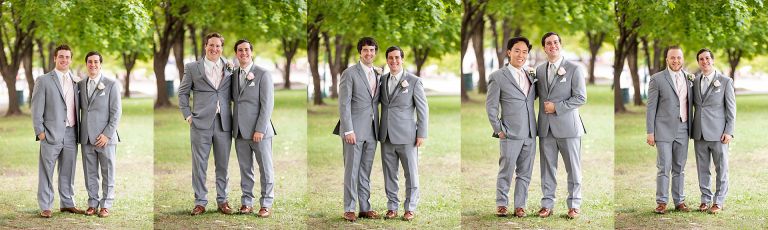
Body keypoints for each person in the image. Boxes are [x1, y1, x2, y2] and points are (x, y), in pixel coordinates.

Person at [178, 32, 234, 215]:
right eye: (211, 45)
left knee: (223, 164)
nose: (214, 49)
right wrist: (188, 116)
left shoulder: (230, 67)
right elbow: (182, 93)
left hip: (224, 122)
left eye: (218, 46)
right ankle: (200, 201)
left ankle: (222, 200)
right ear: (205, 46)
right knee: (199, 164)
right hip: (200, 123)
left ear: (222, 48)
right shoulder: (193, 68)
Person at [534, 32, 587, 219]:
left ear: (560, 45)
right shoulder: (539, 71)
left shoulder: (574, 68)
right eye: (548, 43)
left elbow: (580, 98)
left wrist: (557, 107)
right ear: (544, 48)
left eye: (555, 42)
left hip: (569, 128)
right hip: (545, 129)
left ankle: (574, 205)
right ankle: (547, 205)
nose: (552, 46)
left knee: (573, 168)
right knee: (547, 169)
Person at [31, 44, 85, 218]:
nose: (64, 60)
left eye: (67, 57)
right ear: (55, 58)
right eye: (61, 56)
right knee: (47, 170)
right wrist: (40, 132)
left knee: (68, 170)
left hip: (71, 132)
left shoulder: (76, 81)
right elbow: (36, 108)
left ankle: (67, 203)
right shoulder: (44, 80)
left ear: (71, 59)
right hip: (50, 133)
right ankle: (46, 206)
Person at [486, 37, 536, 218]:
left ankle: (520, 206)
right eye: (517, 50)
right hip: (509, 132)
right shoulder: (497, 77)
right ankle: (501, 204)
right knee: (506, 170)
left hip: (530, 132)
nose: (521, 55)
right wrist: (499, 129)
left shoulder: (531, 75)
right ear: (509, 52)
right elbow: (491, 107)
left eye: (524, 52)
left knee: (525, 172)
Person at [332, 37, 381, 222]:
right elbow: (344, 104)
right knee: (351, 170)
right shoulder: (349, 73)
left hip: (372, 130)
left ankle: (365, 207)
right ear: (360, 52)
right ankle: (349, 208)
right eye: (365, 50)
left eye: (372, 50)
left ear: (375, 52)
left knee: (365, 170)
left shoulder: (378, 74)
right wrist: (348, 130)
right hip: (353, 130)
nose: (369, 53)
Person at [378, 46, 428, 221]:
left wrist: (421, 133)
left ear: (402, 59)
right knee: (389, 174)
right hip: (386, 136)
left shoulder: (414, 81)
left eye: (397, 58)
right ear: (387, 60)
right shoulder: (381, 80)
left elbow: (423, 110)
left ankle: (410, 208)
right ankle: (392, 207)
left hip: (408, 136)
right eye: (390, 58)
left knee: (411, 174)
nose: (394, 61)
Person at [231, 39, 276, 217]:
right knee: (245, 169)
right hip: (239, 131)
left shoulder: (263, 74)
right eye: (240, 50)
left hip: (260, 132)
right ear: (236, 53)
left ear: (252, 52)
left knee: (265, 168)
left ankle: (266, 204)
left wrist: (260, 129)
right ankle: (246, 202)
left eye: (247, 50)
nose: (244, 53)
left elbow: (267, 105)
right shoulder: (233, 75)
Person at [646, 46, 693, 214]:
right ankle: (662, 202)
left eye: (679, 57)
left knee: (680, 167)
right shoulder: (657, 79)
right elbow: (651, 107)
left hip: (684, 128)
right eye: (672, 57)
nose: (676, 60)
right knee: (664, 167)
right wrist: (650, 132)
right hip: (663, 129)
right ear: (667, 59)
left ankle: (679, 201)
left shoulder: (689, 78)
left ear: (682, 59)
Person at [691, 48, 735, 214]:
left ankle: (719, 201)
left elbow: (731, 109)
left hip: (719, 134)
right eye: (701, 59)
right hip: (699, 133)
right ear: (698, 62)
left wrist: (729, 131)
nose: (705, 61)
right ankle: (705, 200)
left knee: (721, 168)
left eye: (707, 58)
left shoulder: (725, 81)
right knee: (702, 168)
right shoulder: (694, 81)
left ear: (713, 60)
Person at [78, 51, 122, 218]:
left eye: (96, 62)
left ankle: (106, 205)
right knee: (90, 173)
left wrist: (107, 134)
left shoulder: (111, 84)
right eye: (90, 62)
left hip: (105, 139)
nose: (93, 65)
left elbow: (116, 112)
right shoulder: (81, 85)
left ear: (100, 64)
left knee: (108, 172)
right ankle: (92, 203)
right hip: (86, 137)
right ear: (86, 64)